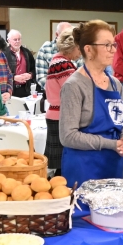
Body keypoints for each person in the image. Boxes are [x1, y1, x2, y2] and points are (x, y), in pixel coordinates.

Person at [60, 20, 123, 188]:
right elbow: (68, 136)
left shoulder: (115, 84)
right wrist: (113, 144)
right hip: (84, 168)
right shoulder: (74, 85)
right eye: (107, 45)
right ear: (88, 49)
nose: (113, 50)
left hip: (113, 165)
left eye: (114, 44)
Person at [45, 28, 81, 174]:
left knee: (61, 165)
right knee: (64, 165)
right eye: (79, 48)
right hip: (61, 116)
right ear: (72, 47)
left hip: (56, 114)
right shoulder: (63, 65)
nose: (80, 52)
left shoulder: (58, 61)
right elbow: (74, 92)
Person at [36, 21, 73, 88]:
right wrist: (57, 90)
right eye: (65, 36)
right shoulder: (45, 49)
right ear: (57, 34)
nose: (68, 39)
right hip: (53, 95)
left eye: (70, 36)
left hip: (74, 93)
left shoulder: (76, 49)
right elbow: (41, 78)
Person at [5, 29, 36, 98]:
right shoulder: (4, 54)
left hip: (26, 89)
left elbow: (35, 69)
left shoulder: (27, 53)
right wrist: (14, 77)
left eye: (19, 39)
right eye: (15, 39)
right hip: (10, 90)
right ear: (8, 40)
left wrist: (30, 75)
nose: (17, 41)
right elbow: (1, 73)